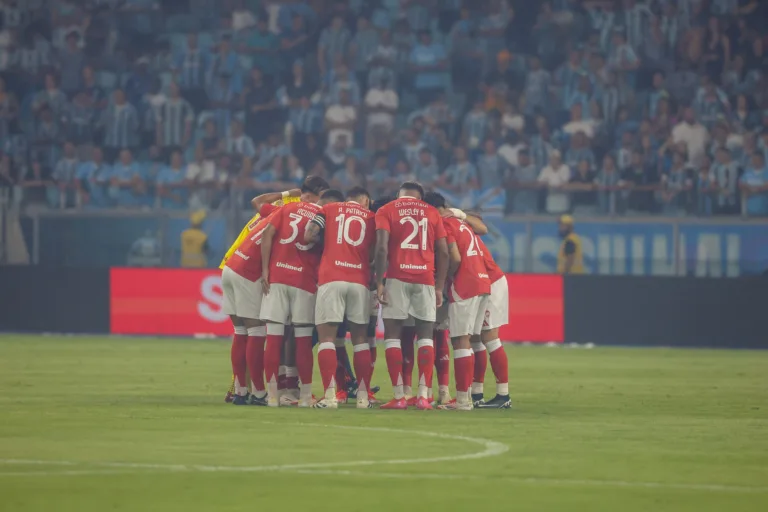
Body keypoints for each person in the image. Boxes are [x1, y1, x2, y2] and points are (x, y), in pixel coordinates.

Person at [220, 176, 329, 403]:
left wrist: (287, 194)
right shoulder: (314, 217)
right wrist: (265, 271)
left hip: (231, 264)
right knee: (258, 332)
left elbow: (258, 202)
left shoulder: (283, 209)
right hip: (250, 272)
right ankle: (260, 392)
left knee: (241, 331)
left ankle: (241, 391)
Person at [374, 182, 449, 410]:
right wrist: (439, 286)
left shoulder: (387, 210)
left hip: (397, 277)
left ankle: (399, 396)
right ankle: (423, 396)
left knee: (393, 337)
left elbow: (381, 248)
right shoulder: (432, 212)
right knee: (426, 337)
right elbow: (444, 252)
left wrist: (379, 282)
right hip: (425, 279)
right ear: (420, 197)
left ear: (399, 195)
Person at [259, 186, 335, 407]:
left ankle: (272, 396)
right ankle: (305, 397)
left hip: (277, 277)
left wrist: (265, 269)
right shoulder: (323, 215)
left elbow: (266, 234)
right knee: (302, 339)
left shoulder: (288, 208)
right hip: (304, 281)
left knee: (274, 337)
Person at [304, 186, 375, 409]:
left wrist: (328, 244)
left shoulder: (329, 209)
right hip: (359, 280)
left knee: (327, 338)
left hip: (332, 277)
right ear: (364, 200)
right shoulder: (371, 216)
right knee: (360, 340)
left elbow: (309, 234)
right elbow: (376, 250)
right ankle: (363, 398)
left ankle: (330, 397)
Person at [424, 192, 490, 411]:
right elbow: (482, 230)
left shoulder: (444, 224)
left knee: (460, 341)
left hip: (466, 284)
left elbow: (455, 258)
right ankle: (467, 397)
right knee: (468, 341)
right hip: (482, 282)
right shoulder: (462, 223)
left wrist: (445, 278)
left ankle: (462, 401)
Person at [472, 236, 511, 409]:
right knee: (475, 337)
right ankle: (476, 393)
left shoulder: (453, 228)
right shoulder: (465, 227)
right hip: (480, 282)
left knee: (490, 337)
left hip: (490, 282)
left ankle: (503, 395)